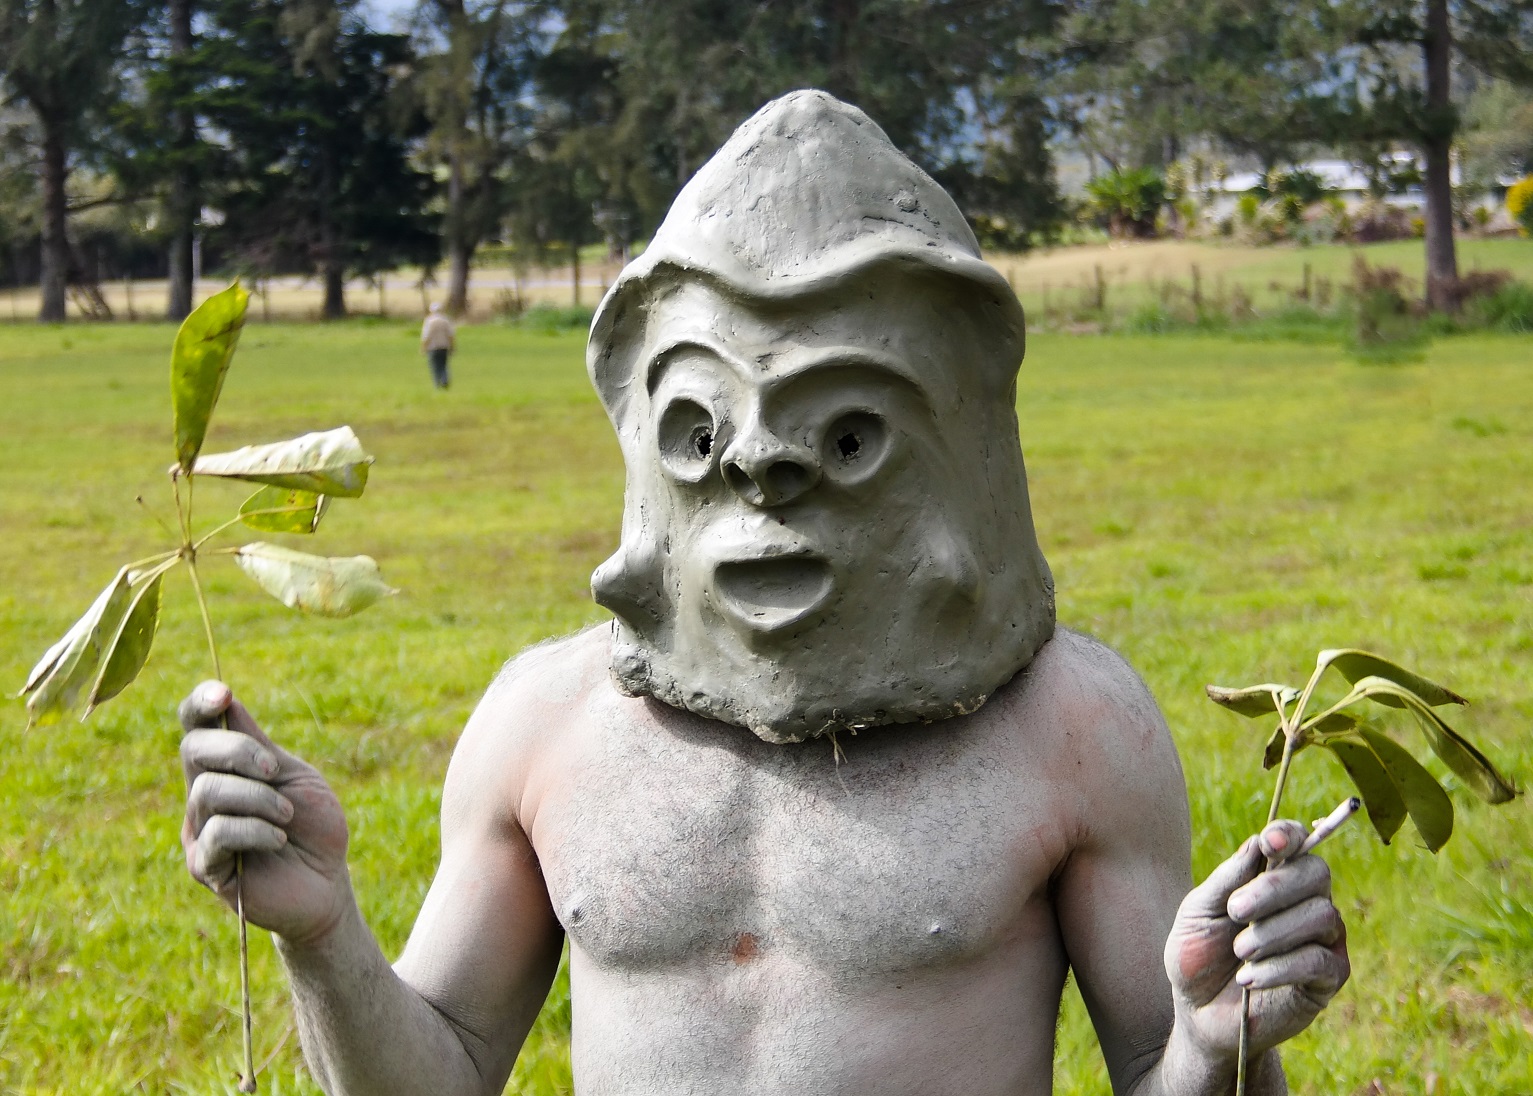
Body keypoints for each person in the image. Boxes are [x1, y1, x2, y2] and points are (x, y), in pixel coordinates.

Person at [178, 92, 1348, 1096]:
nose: (761, 474)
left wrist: (1216, 1043)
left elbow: (1163, 1071)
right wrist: (322, 931)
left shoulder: (1075, 730)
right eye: (704, 433)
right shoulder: (545, 726)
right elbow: (441, 1068)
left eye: (848, 436)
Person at [420, 302, 455, 389]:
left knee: (435, 366)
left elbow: (426, 336)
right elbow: (450, 335)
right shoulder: (446, 320)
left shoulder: (429, 321)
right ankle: (444, 379)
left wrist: (423, 347)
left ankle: (437, 384)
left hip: (433, 347)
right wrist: (452, 347)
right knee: (444, 365)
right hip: (444, 347)